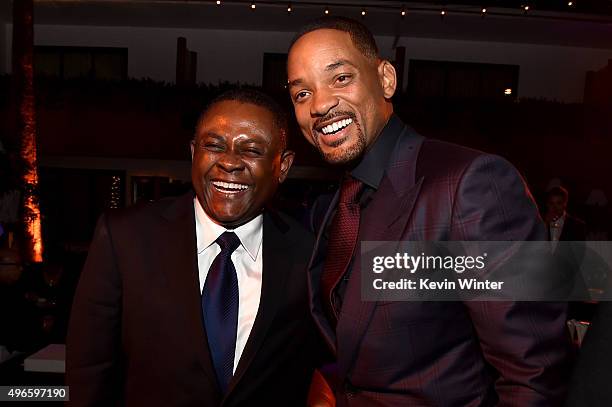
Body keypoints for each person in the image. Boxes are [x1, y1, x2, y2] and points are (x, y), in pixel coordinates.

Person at [287, 17, 572, 406]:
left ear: (386, 79)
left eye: (340, 79)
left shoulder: (471, 184)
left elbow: (534, 374)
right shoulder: (336, 207)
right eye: (301, 94)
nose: (319, 104)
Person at [67, 89, 322, 406]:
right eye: (214, 146)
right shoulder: (125, 237)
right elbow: (88, 372)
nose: (229, 162)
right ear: (193, 153)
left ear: (282, 166)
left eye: (252, 150)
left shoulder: (308, 253)